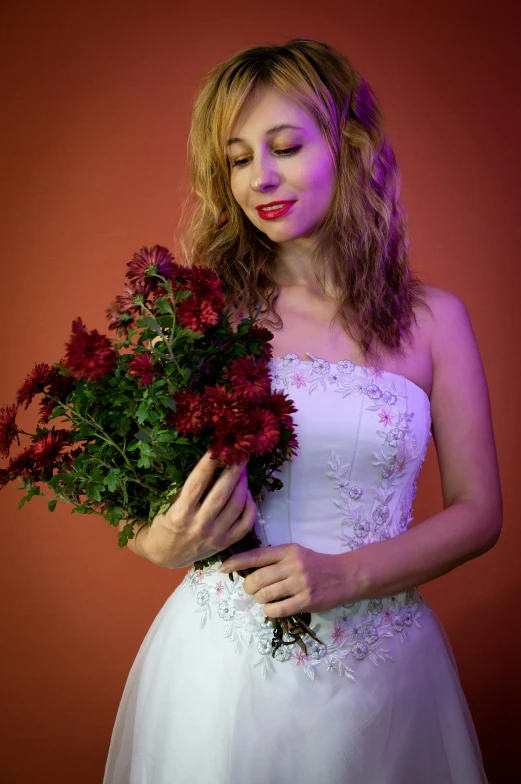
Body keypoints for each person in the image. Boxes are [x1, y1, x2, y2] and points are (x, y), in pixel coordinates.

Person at [103, 39, 502, 783]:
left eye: (284, 146)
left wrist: (348, 576)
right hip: (223, 675)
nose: (261, 178)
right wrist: (158, 542)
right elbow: (149, 506)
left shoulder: (436, 321)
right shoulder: (204, 317)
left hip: (384, 678)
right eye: (237, 158)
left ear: (348, 146)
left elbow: (478, 511)